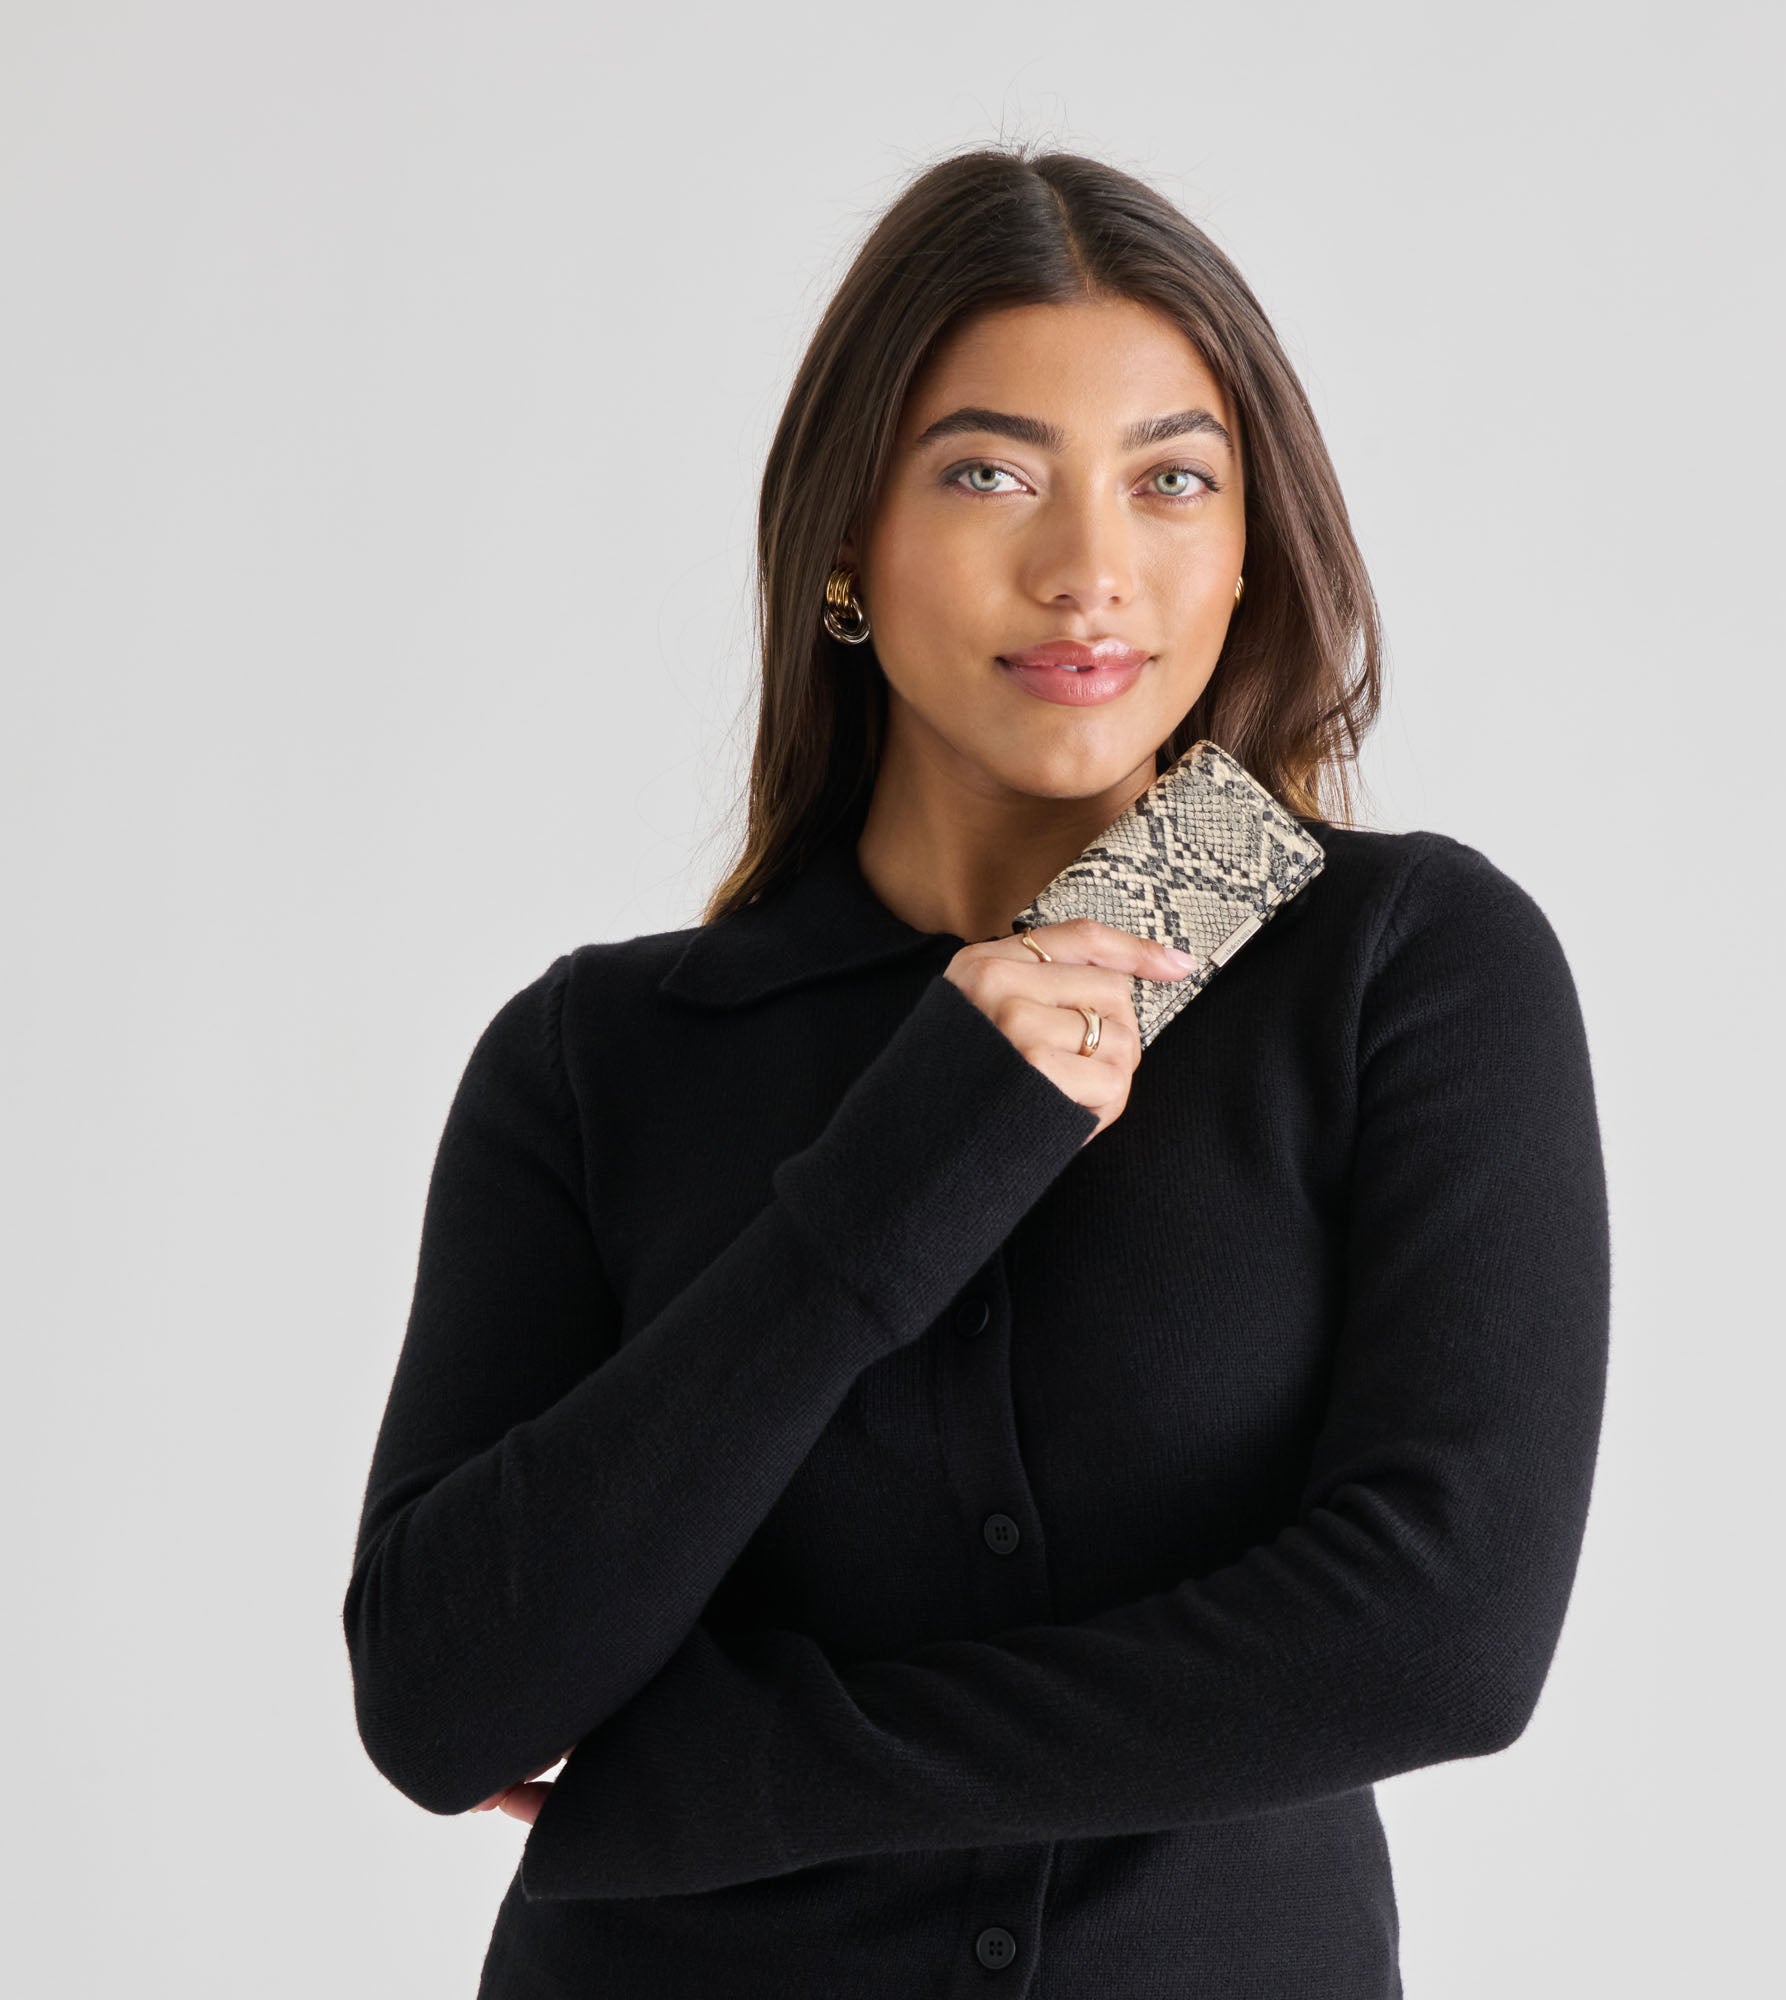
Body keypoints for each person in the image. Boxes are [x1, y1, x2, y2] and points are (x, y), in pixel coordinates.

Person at [343, 144, 1611, 2000]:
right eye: (990, 473)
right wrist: (899, 1172)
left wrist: (747, 1777)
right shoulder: (598, 1056)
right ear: (842, 546)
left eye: (1172, 479)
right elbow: (443, 1698)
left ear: (1248, 548)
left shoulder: (1395, 963)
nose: (1090, 569)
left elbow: (1442, 1639)